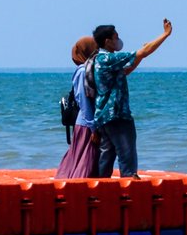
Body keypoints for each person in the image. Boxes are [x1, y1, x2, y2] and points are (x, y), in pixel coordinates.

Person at [91, 19, 173, 179]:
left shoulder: (102, 60)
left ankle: (100, 189)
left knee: (107, 156)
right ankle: (129, 185)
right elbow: (141, 53)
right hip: (117, 114)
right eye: (116, 37)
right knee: (126, 153)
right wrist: (165, 35)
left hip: (104, 116)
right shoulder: (108, 59)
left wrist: (141, 54)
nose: (118, 40)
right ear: (107, 41)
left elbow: (127, 69)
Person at [54, 36, 99, 178]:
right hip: (86, 123)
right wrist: (93, 127)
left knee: (82, 158)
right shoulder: (82, 71)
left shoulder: (89, 69)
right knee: (85, 161)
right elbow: (83, 101)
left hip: (87, 121)